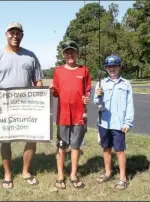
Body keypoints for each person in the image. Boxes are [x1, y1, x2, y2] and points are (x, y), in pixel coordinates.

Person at [0, 22, 44, 189]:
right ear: (6, 34)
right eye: (11, 33)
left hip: (27, 105)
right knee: (5, 140)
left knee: (32, 138)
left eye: (18, 33)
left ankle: (26, 171)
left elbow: (38, 81)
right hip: (3, 105)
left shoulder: (30, 56)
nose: (15, 36)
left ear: (22, 35)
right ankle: (8, 173)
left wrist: (41, 101)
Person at [50, 40, 91, 189]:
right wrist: (52, 90)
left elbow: (87, 90)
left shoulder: (84, 70)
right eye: (67, 52)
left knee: (75, 146)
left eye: (73, 51)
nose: (70, 54)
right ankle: (60, 174)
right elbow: (55, 93)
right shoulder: (58, 71)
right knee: (61, 146)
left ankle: (73, 174)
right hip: (63, 116)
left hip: (79, 115)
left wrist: (87, 97)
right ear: (63, 55)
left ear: (77, 53)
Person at [93, 55, 134, 190]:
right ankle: (108, 172)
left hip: (119, 123)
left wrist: (127, 122)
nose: (112, 69)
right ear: (105, 69)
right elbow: (96, 103)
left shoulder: (126, 84)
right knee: (106, 149)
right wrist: (98, 96)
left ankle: (123, 179)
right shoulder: (101, 83)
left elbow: (129, 104)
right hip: (104, 123)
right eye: (109, 66)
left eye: (115, 66)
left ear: (119, 67)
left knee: (120, 150)